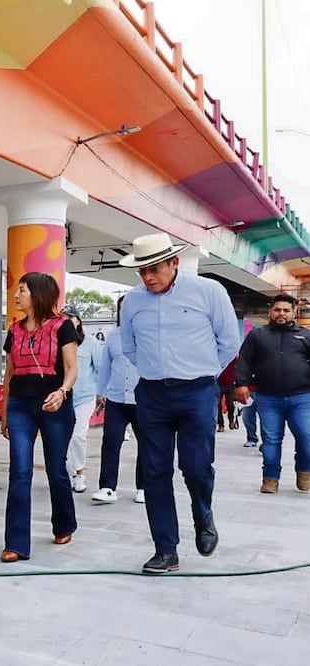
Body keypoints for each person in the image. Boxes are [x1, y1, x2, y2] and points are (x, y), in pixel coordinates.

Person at [120, 233, 239, 574]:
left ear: (174, 262)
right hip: (152, 394)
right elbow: (129, 347)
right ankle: (165, 549)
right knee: (155, 471)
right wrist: (155, 371)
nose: (148, 277)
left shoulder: (209, 291)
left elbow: (229, 341)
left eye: (154, 269)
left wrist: (202, 372)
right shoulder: (132, 301)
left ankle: (203, 515)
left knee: (197, 467)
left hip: (197, 391)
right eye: (142, 271)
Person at [0, 272, 79, 563]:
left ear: (38, 294)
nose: (16, 295)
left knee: (56, 469)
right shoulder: (14, 330)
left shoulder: (63, 326)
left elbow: (71, 368)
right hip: (20, 406)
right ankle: (16, 543)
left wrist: (62, 391)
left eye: (22, 290)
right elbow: (9, 374)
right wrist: (5, 412)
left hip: (55, 406)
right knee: (20, 471)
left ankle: (64, 524)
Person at [234, 293, 310, 494]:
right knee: (271, 440)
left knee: (307, 437)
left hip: (302, 397)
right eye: (277, 310)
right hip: (268, 398)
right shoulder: (257, 336)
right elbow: (244, 361)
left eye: (286, 310)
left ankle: (305, 472)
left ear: (294, 312)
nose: (281, 314)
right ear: (270, 311)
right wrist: (241, 384)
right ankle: (270, 479)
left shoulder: (306, 335)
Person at [91, 295, 145, 505]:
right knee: (110, 442)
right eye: (122, 309)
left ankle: (143, 487)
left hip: (142, 399)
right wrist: (100, 391)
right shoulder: (113, 336)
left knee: (147, 444)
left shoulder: (148, 334)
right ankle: (107, 487)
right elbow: (106, 366)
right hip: (115, 398)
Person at [61, 305, 101, 493]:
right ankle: (68, 473)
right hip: (63, 396)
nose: (67, 321)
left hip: (85, 396)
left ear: (78, 321)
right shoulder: (57, 341)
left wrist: (101, 393)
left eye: (70, 317)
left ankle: (80, 473)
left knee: (78, 435)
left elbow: (100, 368)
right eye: (63, 318)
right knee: (63, 437)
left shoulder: (91, 342)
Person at [216, 359, 238, 432]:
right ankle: (221, 425)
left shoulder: (233, 357)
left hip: (230, 383)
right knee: (218, 405)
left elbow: (238, 367)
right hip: (218, 383)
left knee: (230, 404)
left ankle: (231, 420)